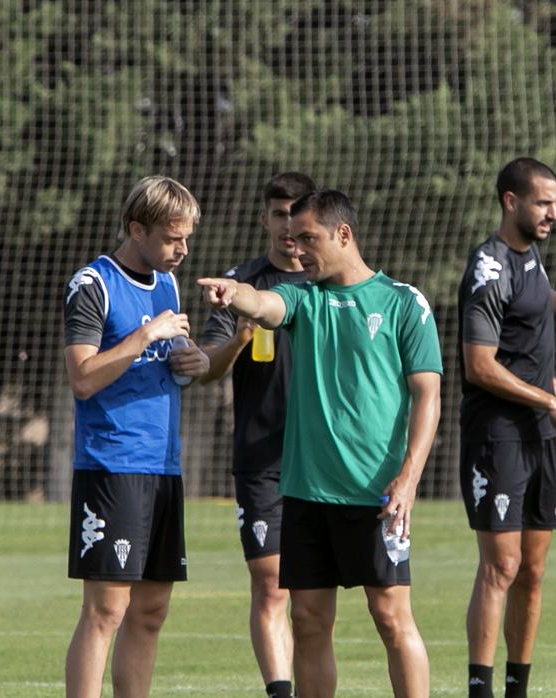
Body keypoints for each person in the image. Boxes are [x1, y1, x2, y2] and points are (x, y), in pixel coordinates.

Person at [197, 189, 440, 698]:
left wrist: (409, 479)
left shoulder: (401, 302)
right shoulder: (305, 300)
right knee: (307, 621)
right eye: (292, 238)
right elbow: (264, 303)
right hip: (306, 494)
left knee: (392, 618)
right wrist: (233, 292)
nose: (298, 249)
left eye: (309, 239)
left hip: (378, 495)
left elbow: (428, 398)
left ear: (343, 234)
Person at [61, 175, 211, 698]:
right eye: (173, 239)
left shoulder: (168, 285)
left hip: (163, 467)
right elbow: (83, 379)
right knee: (106, 611)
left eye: (186, 239)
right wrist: (144, 336)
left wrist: (191, 363)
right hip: (112, 466)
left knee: (150, 611)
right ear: (136, 228)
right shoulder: (92, 285)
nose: (182, 251)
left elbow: (166, 367)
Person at [457, 157, 556, 698]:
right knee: (502, 566)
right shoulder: (488, 267)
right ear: (512, 203)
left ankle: (517, 689)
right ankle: (480, 689)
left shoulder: (531, 259)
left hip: (536, 437)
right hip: (499, 436)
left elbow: (536, 304)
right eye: (543, 203)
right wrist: (553, 403)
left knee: (532, 570)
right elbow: (479, 366)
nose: (554, 213)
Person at [197, 171, 315, 698]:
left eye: (296, 213)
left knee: (315, 597)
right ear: (263, 219)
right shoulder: (240, 283)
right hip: (262, 458)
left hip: (325, 461)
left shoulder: (334, 281)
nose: (288, 225)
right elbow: (205, 369)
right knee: (271, 586)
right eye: (278, 214)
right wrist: (241, 337)